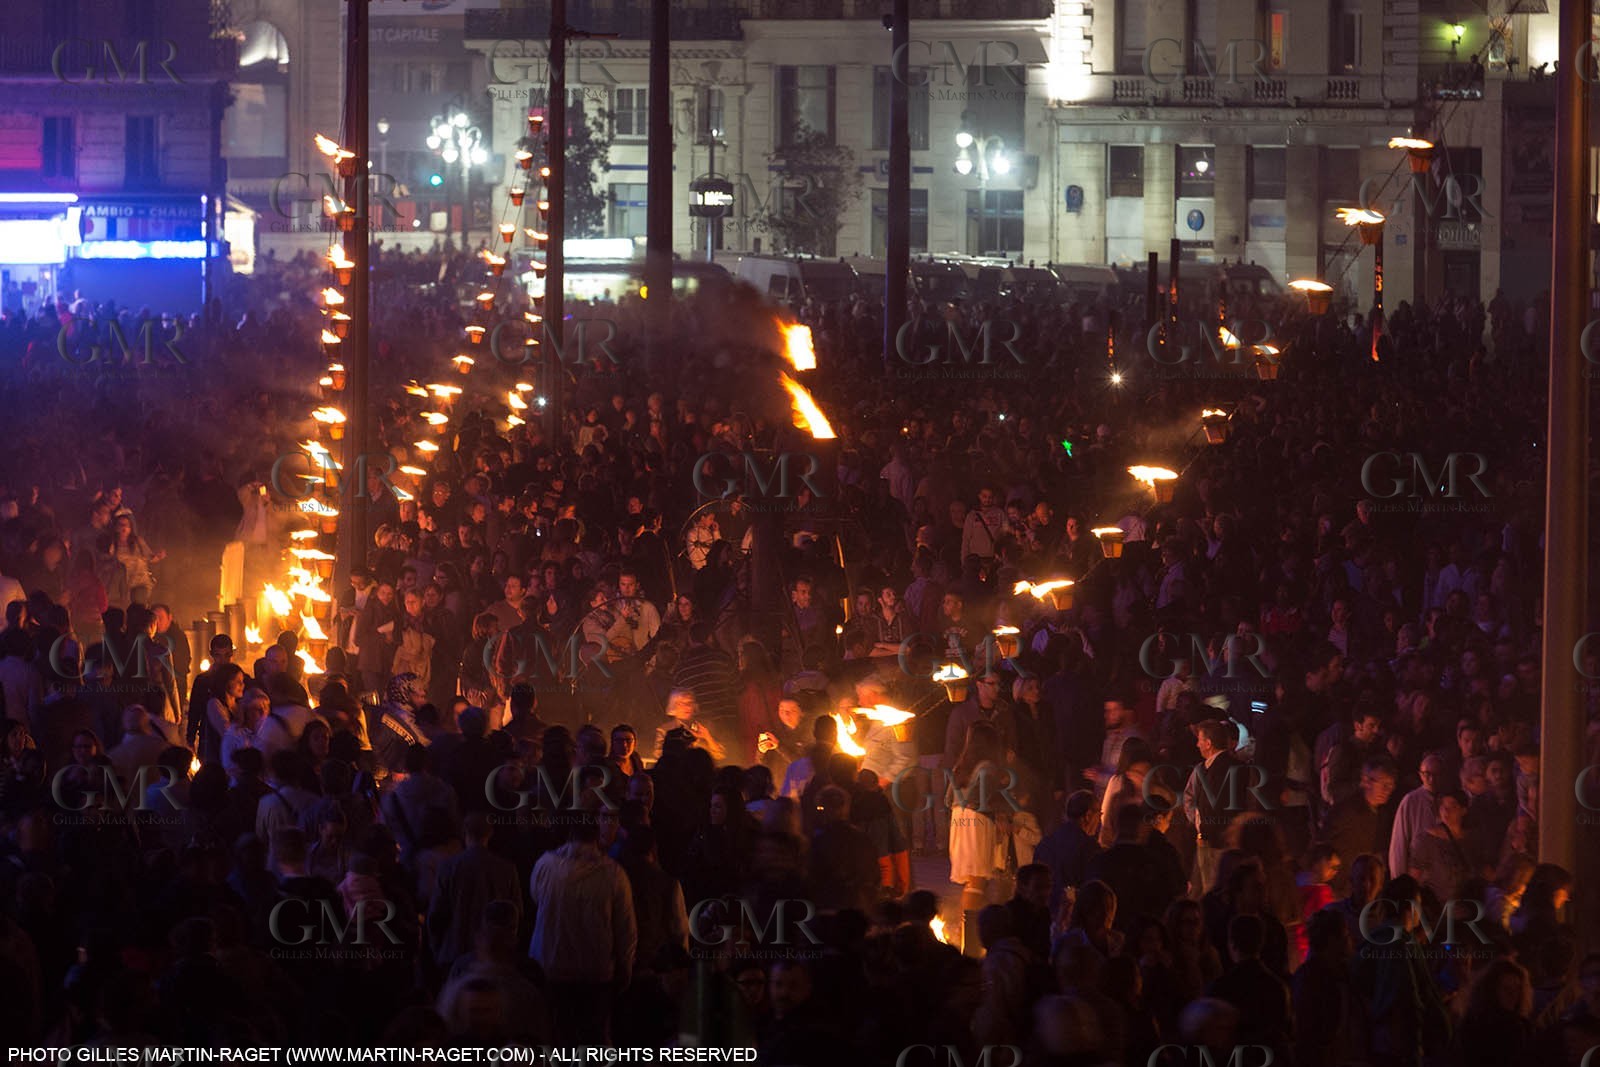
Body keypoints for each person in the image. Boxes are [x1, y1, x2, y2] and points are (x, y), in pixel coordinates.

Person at [527, 813, 637, 1045]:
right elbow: (625, 927)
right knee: (592, 1040)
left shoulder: (546, 865)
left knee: (556, 1039)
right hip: (594, 972)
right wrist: (625, 968)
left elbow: (536, 898)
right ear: (596, 836)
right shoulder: (613, 874)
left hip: (550, 964)